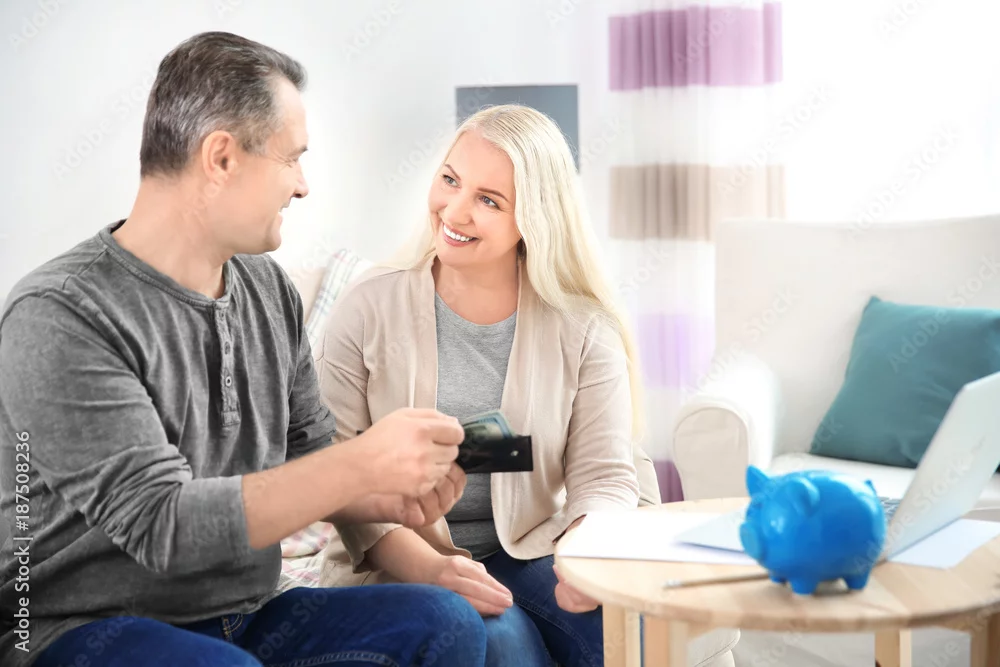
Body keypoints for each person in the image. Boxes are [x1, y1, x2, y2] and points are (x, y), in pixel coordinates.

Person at [0, 31, 488, 667]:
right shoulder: (61, 313)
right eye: (292, 159)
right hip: (79, 629)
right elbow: (162, 526)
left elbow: (312, 458)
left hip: (245, 617)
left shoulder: (267, 289)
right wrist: (361, 463)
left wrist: (389, 494)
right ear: (222, 158)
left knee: (443, 623)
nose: (303, 185)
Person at [315, 104, 662, 667]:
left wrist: (584, 555)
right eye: (450, 180)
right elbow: (335, 471)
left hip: (529, 545)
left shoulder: (583, 328)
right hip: (399, 556)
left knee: (623, 631)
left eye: (489, 200)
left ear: (535, 218)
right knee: (502, 640)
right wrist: (431, 568)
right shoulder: (366, 308)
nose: (454, 210)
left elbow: (601, 474)